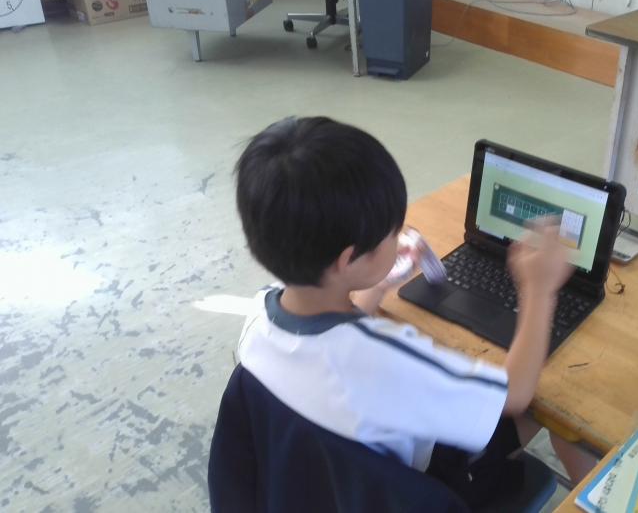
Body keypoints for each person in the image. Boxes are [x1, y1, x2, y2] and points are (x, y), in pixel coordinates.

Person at [208, 116, 596, 510]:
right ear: (348, 259)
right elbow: (513, 394)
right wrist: (538, 289)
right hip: (417, 491)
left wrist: (375, 286)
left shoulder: (258, 317)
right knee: (563, 418)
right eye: (393, 232)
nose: (398, 235)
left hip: (314, 487)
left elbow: (327, 353)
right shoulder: (388, 359)